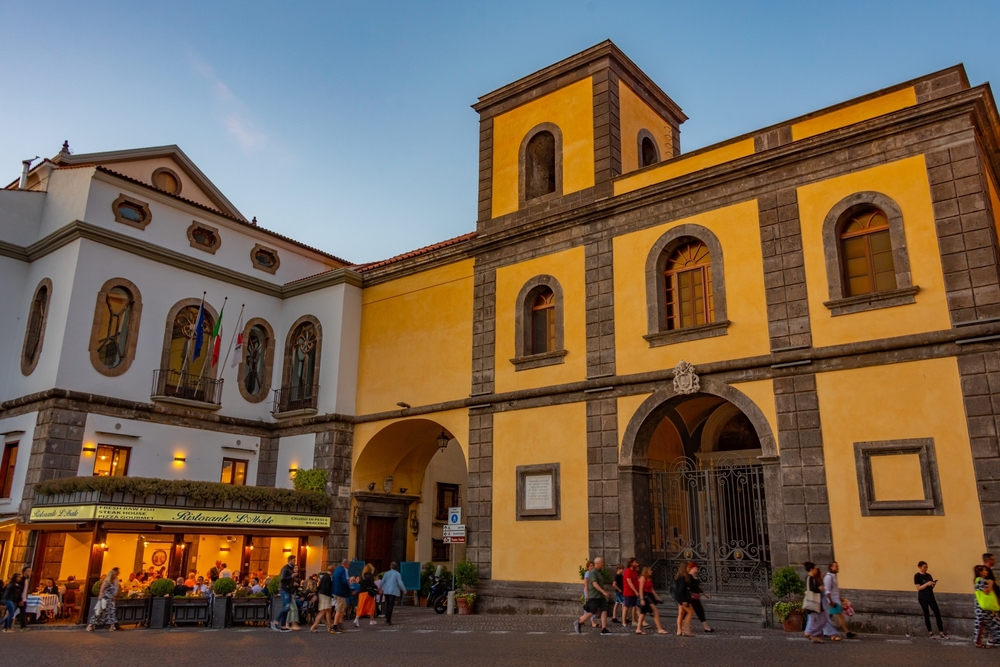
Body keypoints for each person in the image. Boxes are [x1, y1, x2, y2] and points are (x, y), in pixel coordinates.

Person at [802, 562, 841, 643]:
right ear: (812, 569)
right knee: (817, 620)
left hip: (817, 603)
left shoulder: (813, 578)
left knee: (821, 620)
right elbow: (811, 589)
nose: (817, 570)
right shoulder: (809, 578)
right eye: (816, 568)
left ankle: (815, 635)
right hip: (813, 603)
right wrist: (819, 589)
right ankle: (811, 633)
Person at [574, 556, 612, 635]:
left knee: (604, 610)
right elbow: (594, 584)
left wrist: (603, 593)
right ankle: (579, 622)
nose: (603, 564)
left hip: (600, 596)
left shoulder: (599, 572)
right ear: (597, 563)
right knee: (592, 611)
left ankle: (604, 629)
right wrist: (603, 592)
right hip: (594, 596)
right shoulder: (593, 572)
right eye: (602, 562)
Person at [914, 561, 947, 639]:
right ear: (920, 567)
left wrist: (932, 584)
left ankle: (941, 632)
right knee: (926, 614)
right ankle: (931, 633)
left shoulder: (928, 575)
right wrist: (927, 584)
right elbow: (918, 588)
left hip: (931, 597)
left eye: (926, 567)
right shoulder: (917, 576)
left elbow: (930, 587)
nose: (926, 569)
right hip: (923, 598)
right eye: (924, 567)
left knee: (937, 614)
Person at [635, 566, 668, 635]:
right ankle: (659, 629)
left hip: (649, 595)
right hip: (645, 596)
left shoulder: (649, 579)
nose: (651, 571)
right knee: (655, 611)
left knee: (643, 613)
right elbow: (641, 589)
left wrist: (657, 597)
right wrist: (642, 599)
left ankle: (638, 629)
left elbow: (652, 589)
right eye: (650, 570)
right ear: (646, 571)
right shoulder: (643, 578)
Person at [824, 562, 854, 638]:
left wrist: (841, 599)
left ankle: (823, 631)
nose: (837, 568)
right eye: (836, 566)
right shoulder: (828, 577)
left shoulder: (833, 576)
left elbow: (835, 590)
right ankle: (847, 632)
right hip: (832, 601)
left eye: (837, 566)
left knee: (828, 616)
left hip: (835, 600)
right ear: (831, 567)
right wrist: (831, 601)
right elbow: (827, 591)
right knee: (840, 615)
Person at [86, 568, 120, 632]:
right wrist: (100, 597)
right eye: (114, 575)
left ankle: (112, 626)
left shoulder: (114, 581)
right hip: (105, 599)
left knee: (111, 612)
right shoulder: (107, 581)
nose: (115, 576)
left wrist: (114, 596)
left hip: (111, 599)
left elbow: (115, 590)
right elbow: (102, 589)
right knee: (99, 612)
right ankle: (90, 625)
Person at [974, 564, 1000, 648]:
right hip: (983, 607)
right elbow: (985, 591)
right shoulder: (980, 580)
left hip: (982, 607)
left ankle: (991, 639)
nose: (986, 572)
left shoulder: (979, 580)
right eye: (985, 570)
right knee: (985, 624)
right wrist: (991, 585)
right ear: (980, 572)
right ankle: (979, 642)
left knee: (990, 623)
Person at [687, 563, 713, 633]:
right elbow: (688, 587)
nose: (697, 569)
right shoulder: (689, 576)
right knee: (691, 612)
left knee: (699, 611)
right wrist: (690, 594)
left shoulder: (694, 576)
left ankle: (706, 627)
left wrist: (704, 594)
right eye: (696, 567)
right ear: (692, 568)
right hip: (692, 598)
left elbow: (697, 587)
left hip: (696, 597)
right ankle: (684, 628)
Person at [271, 555, 295, 632]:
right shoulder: (285, 568)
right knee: (287, 607)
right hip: (285, 589)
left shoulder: (290, 568)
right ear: (290, 560)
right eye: (294, 560)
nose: (295, 562)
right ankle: (275, 620)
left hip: (288, 589)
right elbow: (282, 579)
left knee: (286, 608)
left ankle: (283, 626)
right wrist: (291, 576)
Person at [672, 563, 695, 637]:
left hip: (681, 598)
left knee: (681, 613)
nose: (689, 568)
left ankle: (680, 630)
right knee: (690, 612)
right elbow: (680, 590)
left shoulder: (681, 577)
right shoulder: (682, 578)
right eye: (688, 567)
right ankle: (685, 630)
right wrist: (683, 600)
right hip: (683, 599)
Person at [380, 561, 406, 626]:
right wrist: (404, 590)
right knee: (391, 605)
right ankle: (388, 620)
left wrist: (380, 588)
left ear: (390, 566)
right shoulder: (397, 574)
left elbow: (382, 581)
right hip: (393, 591)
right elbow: (400, 582)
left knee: (387, 604)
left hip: (386, 591)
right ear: (396, 567)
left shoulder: (386, 573)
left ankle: (386, 617)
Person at [311, 563, 334, 633]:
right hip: (326, 596)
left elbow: (319, 587)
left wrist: (316, 594)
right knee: (324, 611)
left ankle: (329, 626)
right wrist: (332, 594)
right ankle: (314, 626)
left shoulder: (324, 577)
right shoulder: (328, 578)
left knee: (327, 611)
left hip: (322, 595)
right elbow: (327, 588)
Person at [331, 558, 351, 633]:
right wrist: (349, 589)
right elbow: (345, 581)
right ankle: (335, 626)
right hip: (340, 592)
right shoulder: (344, 570)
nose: (349, 566)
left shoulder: (337, 570)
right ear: (346, 564)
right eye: (348, 565)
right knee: (339, 609)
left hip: (335, 591)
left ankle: (339, 624)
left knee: (342, 608)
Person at [621, 557, 641, 629]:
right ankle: (624, 623)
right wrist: (635, 591)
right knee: (626, 607)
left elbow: (637, 580)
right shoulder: (628, 571)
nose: (636, 563)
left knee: (634, 607)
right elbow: (629, 582)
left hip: (634, 593)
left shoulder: (634, 571)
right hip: (628, 592)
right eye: (635, 562)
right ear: (631, 563)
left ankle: (634, 621)